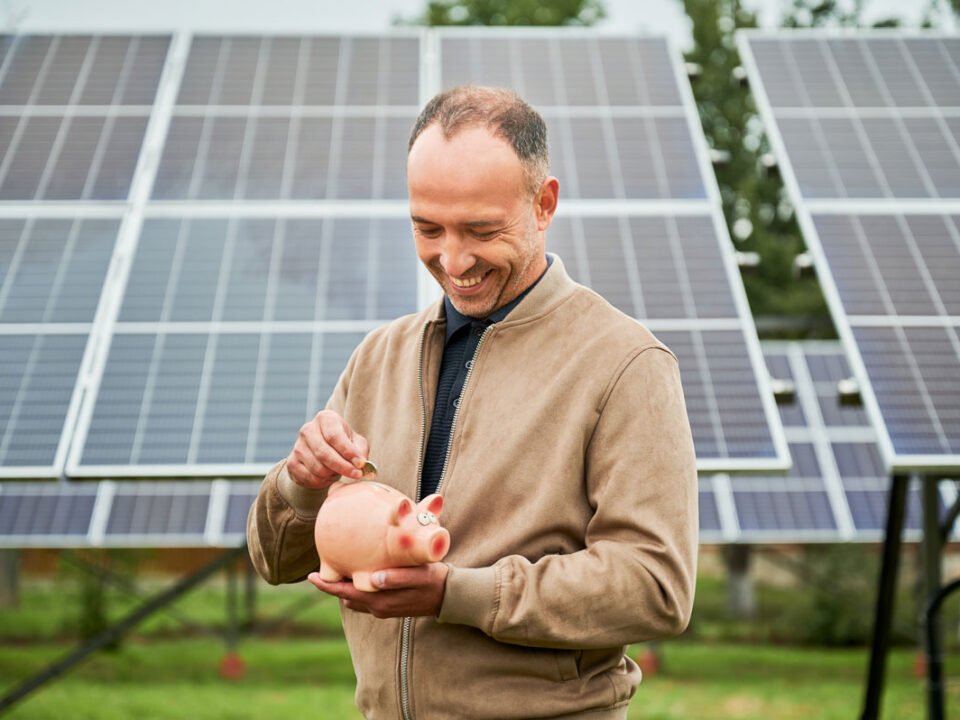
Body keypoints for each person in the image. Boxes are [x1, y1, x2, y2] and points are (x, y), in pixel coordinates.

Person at [248, 85, 698, 720]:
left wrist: (454, 595)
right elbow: (274, 559)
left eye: (481, 230)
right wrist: (299, 484)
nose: (452, 259)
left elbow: (655, 588)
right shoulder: (378, 356)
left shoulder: (626, 365)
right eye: (427, 228)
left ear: (544, 205)